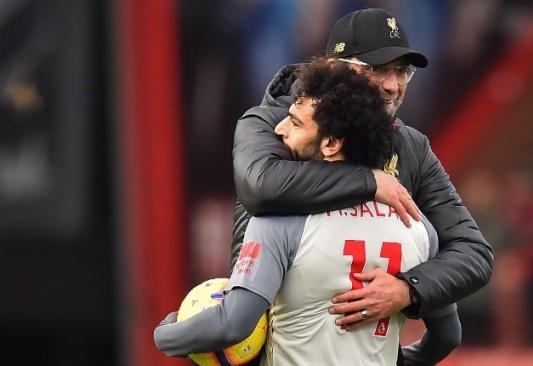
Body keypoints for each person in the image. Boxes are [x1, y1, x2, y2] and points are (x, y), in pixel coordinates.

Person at [155, 59, 460, 365]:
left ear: (329, 144)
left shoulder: (281, 219)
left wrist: (167, 333)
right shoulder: (418, 227)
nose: (280, 128)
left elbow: (232, 324)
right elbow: (447, 336)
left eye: (296, 122)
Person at [231, 7, 493, 334]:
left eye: (402, 71)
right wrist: (370, 181)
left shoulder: (410, 147)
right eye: (376, 69)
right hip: (273, 345)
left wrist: (408, 290)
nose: (392, 85)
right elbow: (260, 185)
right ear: (331, 68)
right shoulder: (272, 122)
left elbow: (473, 253)